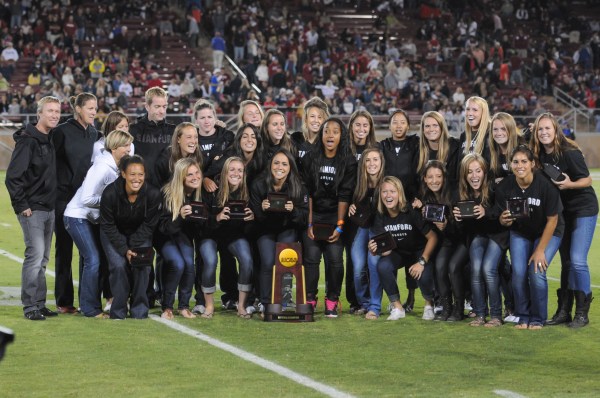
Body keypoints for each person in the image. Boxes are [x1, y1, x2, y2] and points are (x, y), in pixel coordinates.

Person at [531, 113, 597, 328]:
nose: (544, 133)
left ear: (556, 129)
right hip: (562, 213)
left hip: (583, 209)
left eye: (547, 128)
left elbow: (586, 180)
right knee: (567, 263)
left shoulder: (569, 152)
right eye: (540, 129)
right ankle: (563, 311)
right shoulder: (539, 155)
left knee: (577, 260)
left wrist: (569, 185)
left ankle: (582, 313)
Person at [64, 130, 133, 318]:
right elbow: (86, 198)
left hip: (89, 218)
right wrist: (110, 201)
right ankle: (88, 308)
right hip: (77, 216)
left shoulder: (115, 166)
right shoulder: (102, 167)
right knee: (93, 260)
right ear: (114, 147)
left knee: (98, 260)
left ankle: (93, 304)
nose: (129, 149)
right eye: (125, 146)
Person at [5, 96, 61, 320]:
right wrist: (22, 205)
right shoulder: (28, 141)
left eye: (57, 111)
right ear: (39, 113)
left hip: (49, 208)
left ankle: (39, 303)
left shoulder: (51, 138)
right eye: (50, 111)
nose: (55, 115)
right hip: (33, 210)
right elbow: (13, 177)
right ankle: (30, 307)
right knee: (35, 257)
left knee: (43, 259)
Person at [497, 145, 564, 329]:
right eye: (516, 162)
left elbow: (553, 220)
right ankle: (523, 315)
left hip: (549, 231)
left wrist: (540, 250)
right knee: (518, 273)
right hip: (521, 232)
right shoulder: (505, 186)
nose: (520, 166)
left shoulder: (545, 185)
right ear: (511, 164)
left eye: (524, 161)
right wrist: (504, 221)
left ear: (532, 164)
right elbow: (503, 219)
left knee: (536, 271)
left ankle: (538, 318)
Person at [302, 117, 357, 317]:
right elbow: (307, 193)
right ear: (321, 135)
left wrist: (340, 225)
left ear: (341, 135)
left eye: (335, 131)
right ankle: (310, 298)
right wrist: (309, 223)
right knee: (312, 257)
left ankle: (332, 299)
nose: (330, 135)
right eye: (326, 131)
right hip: (314, 214)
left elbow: (345, 195)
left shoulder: (348, 160)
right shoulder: (309, 158)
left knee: (335, 259)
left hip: (336, 216)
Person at [52, 92, 98, 314]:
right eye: (90, 108)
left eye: (95, 108)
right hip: (62, 199)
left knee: (86, 251)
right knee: (64, 250)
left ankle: (86, 299)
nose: (93, 112)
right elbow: (49, 163)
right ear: (78, 109)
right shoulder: (61, 131)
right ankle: (64, 300)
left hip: (85, 201)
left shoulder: (95, 133)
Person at [99, 155, 161, 320]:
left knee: (142, 265)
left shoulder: (153, 194)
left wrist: (132, 246)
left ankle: (139, 311)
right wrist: (124, 249)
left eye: (140, 174)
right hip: (113, 233)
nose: (137, 178)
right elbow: (107, 225)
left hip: (141, 233)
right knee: (118, 266)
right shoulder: (110, 193)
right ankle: (118, 311)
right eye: (132, 174)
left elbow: (149, 224)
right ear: (123, 174)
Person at [369, 176, 438, 321]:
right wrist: (375, 249)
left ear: (399, 193)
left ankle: (429, 304)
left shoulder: (411, 211)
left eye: (392, 191)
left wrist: (422, 262)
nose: (388, 195)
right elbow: (386, 250)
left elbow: (433, 238)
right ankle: (398, 307)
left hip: (419, 251)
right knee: (383, 265)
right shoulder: (380, 216)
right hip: (399, 252)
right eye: (384, 192)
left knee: (422, 274)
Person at [250, 149, 308, 314]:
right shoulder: (259, 184)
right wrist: (261, 209)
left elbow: (304, 217)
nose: (279, 167)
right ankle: (265, 302)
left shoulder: (298, 186)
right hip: (265, 229)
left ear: (290, 167)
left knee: (286, 260)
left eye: (284, 164)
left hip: (287, 227)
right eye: (276, 163)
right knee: (268, 262)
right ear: (270, 165)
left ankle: (285, 299)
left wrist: (293, 210)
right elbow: (255, 218)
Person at [454, 154, 508, 327]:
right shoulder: (462, 193)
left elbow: (501, 214)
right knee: (475, 269)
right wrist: (458, 219)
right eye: (470, 172)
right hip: (478, 235)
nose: (474, 175)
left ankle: (496, 315)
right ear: (464, 174)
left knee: (488, 269)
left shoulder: (494, 188)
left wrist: (486, 213)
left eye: (478, 171)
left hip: (497, 234)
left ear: (485, 172)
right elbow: (464, 230)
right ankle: (480, 313)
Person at [202, 157, 255, 318]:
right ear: (224, 172)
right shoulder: (212, 188)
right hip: (210, 234)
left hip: (233, 235)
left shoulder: (247, 191)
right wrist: (216, 218)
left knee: (247, 260)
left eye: (240, 170)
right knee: (211, 261)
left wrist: (251, 218)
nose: (236, 173)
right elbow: (201, 222)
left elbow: (249, 228)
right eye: (232, 169)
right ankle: (209, 306)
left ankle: (241, 305)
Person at [414, 161, 468, 321]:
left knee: (453, 267)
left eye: (438, 176)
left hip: (462, 239)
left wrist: (446, 226)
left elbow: (462, 228)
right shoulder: (425, 196)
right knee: (439, 267)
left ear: (444, 178)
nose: (434, 180)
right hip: (446, 241)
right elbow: (427, 227)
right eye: (430, 177)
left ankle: (458, 309)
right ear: (424, 179)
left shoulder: (455, 194)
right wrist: (421, 209)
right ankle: (446, 307)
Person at [379, 109, 419, 311]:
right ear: (389, 125)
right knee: (389, 249)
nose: (398, 125)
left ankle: (411, 297)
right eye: (395, 122)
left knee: (411, 250)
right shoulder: (383, 146)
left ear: (408, 125)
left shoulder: (415, 144)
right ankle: (393, 299)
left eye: (402, 122)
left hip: (409, 206)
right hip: (388, 207)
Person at [156, 158, 205, 320]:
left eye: (197, 172)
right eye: (189, 174)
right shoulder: (167, 193)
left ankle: (184, 305)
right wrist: (180, 217)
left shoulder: (199, 193)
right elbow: (162, 228)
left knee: (189, 265)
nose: (195, 177)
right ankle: (167, 306)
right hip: (164, 237)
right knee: (178, 263)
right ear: (181, 177)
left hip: (182, 236)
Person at [348, 148, 385, 319]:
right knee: (357, 267)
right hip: (363, 229)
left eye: (375, 159)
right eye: (368, 160)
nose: (371, 163)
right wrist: (351, 206)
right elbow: (352, 204)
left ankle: (375, 307)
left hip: (379, 230)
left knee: (373, 264)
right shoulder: (358, 184)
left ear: (381, 162)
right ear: (362, 163)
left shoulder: (387, 183)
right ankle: (364, 303)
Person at [129, 87, 176, 189]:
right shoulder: (133, 130)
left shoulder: (173, 131)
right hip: (140, 188)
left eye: (164, 106)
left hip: (167, 188)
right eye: (157, 106)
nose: (162, 111)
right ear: (147, 106)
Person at [417, 111, 461, 187]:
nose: (431, 129)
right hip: (427, 196)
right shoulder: (417, 150)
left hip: (452, 195)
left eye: (435, 125)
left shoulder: (456, 146)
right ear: (423, 130)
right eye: (427, 126)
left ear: (441, 127)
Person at [155, 122, 204, 189]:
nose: (193, 141)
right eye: (189, 137)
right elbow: (159, 187)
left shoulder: (199, 154)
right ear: (178, 139)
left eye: (196, 137)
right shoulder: (164, 160)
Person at [291, 97, 330, 171]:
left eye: (320, 117)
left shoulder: (329, 144)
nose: (316, 120)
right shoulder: (295, 140)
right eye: (312, 116)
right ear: (306, 119)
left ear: (324, 120)